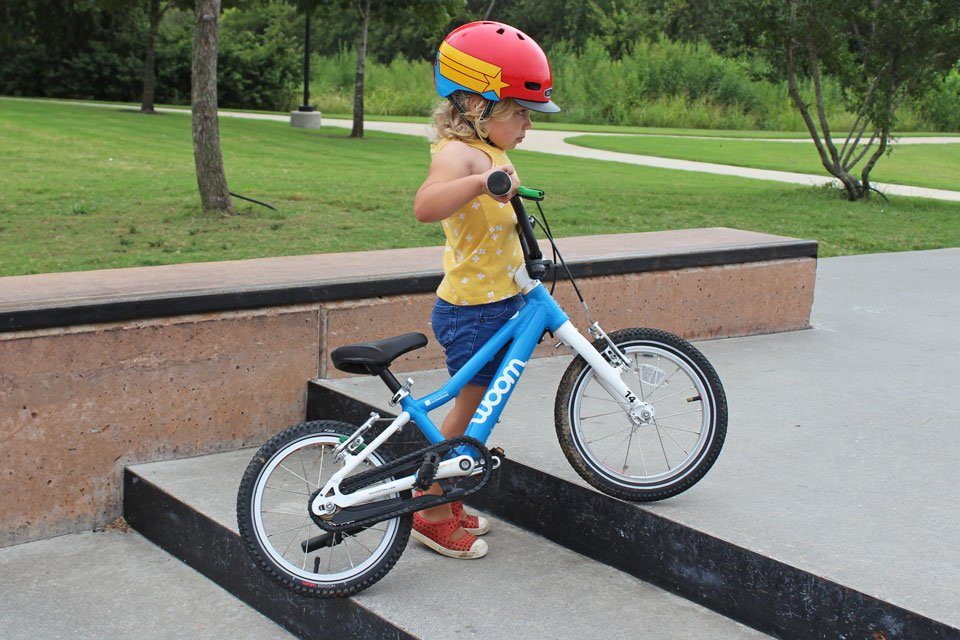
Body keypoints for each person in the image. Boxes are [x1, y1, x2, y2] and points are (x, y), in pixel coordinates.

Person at [411, 20, 560, 559]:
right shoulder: (460, 153)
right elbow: (425, 206)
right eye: (520, 112)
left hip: (500, 302)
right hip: (473, 311)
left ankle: (446, 499)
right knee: (471, 415)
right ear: (477, 105)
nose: (528, 125)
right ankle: (428, 511)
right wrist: (478, 183)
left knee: (479, 413)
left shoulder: (488, 147)